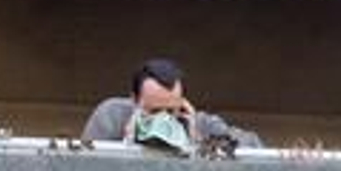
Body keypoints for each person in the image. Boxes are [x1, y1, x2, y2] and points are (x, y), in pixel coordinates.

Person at [82, 58, 263, 153]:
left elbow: (257, 149)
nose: (163, 118)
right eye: (153, 111)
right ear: (134, 100)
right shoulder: (112, 115)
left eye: (171, 110)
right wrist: (125, 144)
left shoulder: (199, 123)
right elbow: (83, 169)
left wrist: (198, 142)